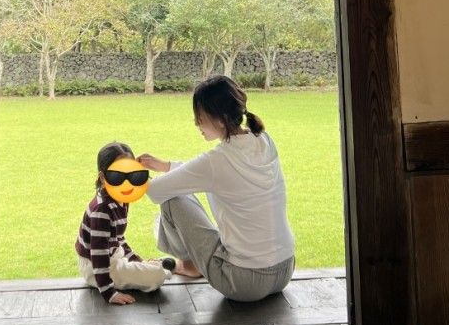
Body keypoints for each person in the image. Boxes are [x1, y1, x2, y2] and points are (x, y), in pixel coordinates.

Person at [139, 76, 295, 302]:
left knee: (173, 201)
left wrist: (124, 176)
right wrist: (166, 166)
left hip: (244, 282)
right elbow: (204, 173)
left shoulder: (217, 160)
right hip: (284, 270)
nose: (196, 124)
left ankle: (190, 264)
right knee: (181, 189)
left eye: (199, 118)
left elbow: (156, 191)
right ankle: (193, 263)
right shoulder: (264, 141)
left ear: (220, 120)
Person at [75, 141, 175, 305]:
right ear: (103, 177)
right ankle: (158, 270)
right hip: (96, 267)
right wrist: (109, 293)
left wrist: (138, 260)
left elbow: (118, 239)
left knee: (147, 268)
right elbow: (98, 254)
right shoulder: (102, 210)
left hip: (112, 255)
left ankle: (150, 267)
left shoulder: (121, 199)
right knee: (156, 277)